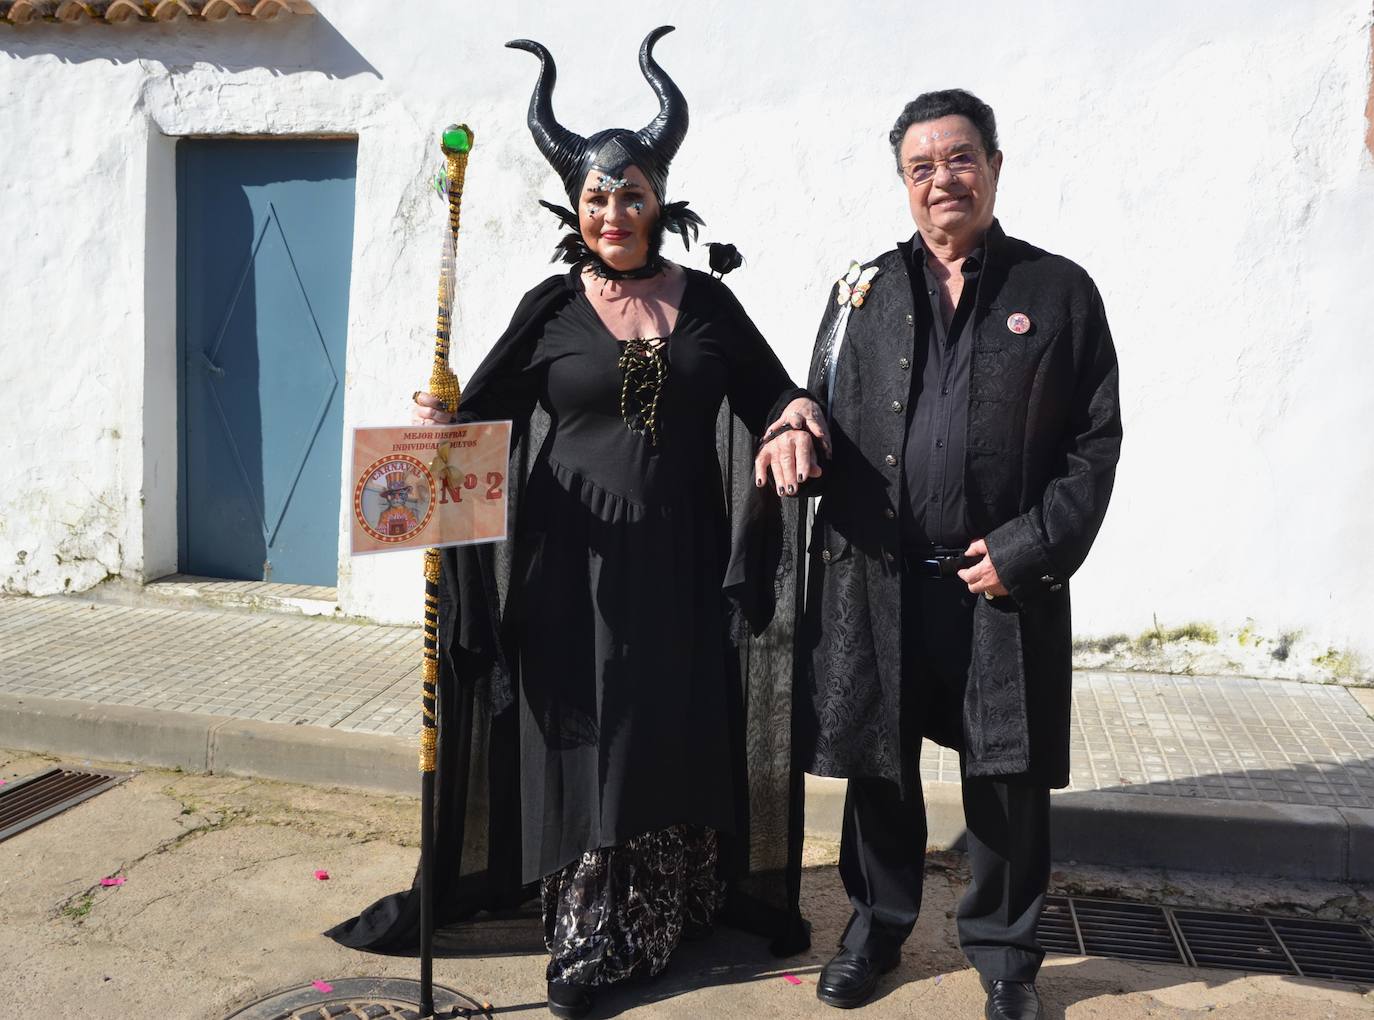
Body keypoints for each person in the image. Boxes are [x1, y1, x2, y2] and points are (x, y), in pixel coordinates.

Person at [329, 27, 823, 1019]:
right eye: (596, 196)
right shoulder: (551, 306)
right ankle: (590, 935)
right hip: (569, 560)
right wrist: (442, 417)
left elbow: (778, 392)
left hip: (679, 565)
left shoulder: (711, 305)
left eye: (630, 193)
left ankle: (664, 912)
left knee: (661, 732)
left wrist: (796, 422)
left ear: (659, 200)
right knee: (586, 736)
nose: (613, 211)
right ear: (577, 205)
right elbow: (479, 411)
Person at [793, 89, 1122, 1020]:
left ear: (995, 165)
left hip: (1000, 585)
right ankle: (875, 929)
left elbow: (1094, 446)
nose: (944, 180)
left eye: (960, 158)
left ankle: (1009, 959)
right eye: (922, 167)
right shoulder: (860, 290)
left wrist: (1026, 548)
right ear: (904, 183)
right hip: (879, 580)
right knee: (878, 765)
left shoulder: (1057, 291)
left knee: (1006, 777)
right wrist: (794, 427)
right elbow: (812, 395)